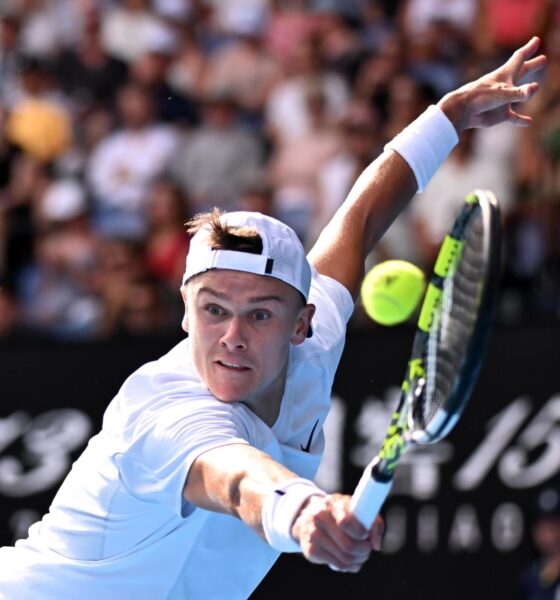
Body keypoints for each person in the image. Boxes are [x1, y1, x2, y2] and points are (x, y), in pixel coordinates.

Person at [0, 38, 546, 599]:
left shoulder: (318, 333)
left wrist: (450, 116)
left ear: (301, 323)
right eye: (213, 309)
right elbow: (238, 480)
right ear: (186, 314)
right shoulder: (166, 409)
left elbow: (359, 218)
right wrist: (305, 512)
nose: (232, 338)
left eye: (260, 314)